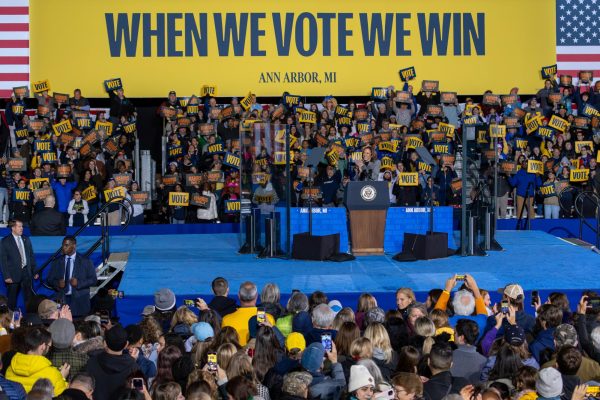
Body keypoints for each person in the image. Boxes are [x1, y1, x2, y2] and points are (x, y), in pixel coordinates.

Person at [6, 326, 68, 396]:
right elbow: (62, 396)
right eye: (49, 346)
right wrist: (61, 378)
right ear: (43, 346)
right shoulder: (53, 375)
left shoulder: (10, 369)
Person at [85, 324, 140, 400]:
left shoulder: (91, 362)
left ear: (104, 343)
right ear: (126, 345)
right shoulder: (133, 367)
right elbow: (139, 392)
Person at [47, 237, 97, 317]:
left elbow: (93, 280)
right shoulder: (57, 262)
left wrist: (79, 283)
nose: (63, 247)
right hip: (62, 300)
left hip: (80, 301)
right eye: (63, 245)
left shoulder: (85, 261)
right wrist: (57, 283)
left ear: (74, 246)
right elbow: (49, 279)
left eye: (66, 245)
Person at [221, 281, 275, 346]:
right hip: (260, 355)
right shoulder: (268, 319)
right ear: (256, 296)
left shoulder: (226, 320)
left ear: (239, 296)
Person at [1, 219, 37, 310]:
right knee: (11, 300)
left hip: (26, 273)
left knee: (29, 298)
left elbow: (31, 256)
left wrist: (34, 271)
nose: (22, 228)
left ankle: (30, 319)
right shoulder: (5, 241)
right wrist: (7, 276)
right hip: (12, 275)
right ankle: (9, 319)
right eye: (19, 226)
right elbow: (3, 260)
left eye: (22, 226)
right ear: (13, 228)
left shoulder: (26, 239)